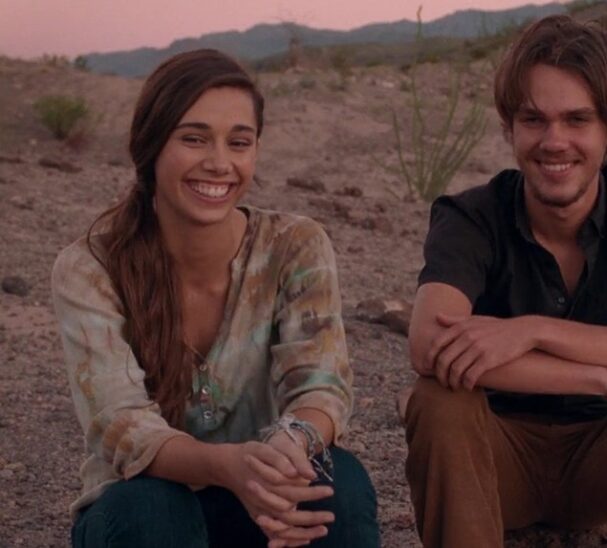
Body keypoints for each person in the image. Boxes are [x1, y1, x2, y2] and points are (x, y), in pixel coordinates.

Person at [404, 15, 607, 548]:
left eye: (577, 119)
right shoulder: (471, 216)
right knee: (438, 399)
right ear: (510, 127)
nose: (555, 142)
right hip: (494, 460)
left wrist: (532, 330)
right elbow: (429, 345)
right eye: (534, 119)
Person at [52, 49, 379, 548]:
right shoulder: (91, 268)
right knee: (152, 506)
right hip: (142, 514)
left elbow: (321, 384)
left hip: (262, 500)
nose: (219, 163)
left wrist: (291, 442)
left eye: (239, 142)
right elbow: (120, 425)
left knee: (338, 485)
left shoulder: (294, 245)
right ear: (151, 145)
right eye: (194, 138)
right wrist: (228, 467)